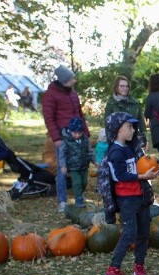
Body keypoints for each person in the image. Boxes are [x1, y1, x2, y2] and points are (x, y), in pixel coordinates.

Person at [99, 112, 159, 275]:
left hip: (140, 197)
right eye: (129, 127)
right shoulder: (115, 152)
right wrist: (142, 176)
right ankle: (113, 269)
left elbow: (142, 164)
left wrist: (155, 167)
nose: (133, 130)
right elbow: (119, 176)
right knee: (129, 233)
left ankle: (139, 266)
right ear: (118, 130)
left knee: (144, 233)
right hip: (127, 200)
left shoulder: (132, 148)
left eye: (133, 127)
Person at [42, 65, 89, 212]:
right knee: (62, 169)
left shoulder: (73, 94)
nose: (74, 81)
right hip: (62, 136)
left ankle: (79, 196)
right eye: (71, 78)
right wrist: (56, 138)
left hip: (78, 135)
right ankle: (62, 201)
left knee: (81, 164)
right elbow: (49, 119)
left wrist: (85, 133)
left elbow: (80, 115)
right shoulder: (50, 95)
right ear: (64, 80)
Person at [57, 117, 94, 208]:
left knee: (84, 183)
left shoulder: (85, 139)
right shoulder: (66, 141)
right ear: (70, 131)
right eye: (75, 133)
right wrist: (63, 166)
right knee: (77, 183)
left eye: (79, 133)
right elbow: (62, 154)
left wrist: (95, 160)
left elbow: (90, 151)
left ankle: (80, 195)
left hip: (84, 166)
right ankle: (78, 199)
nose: (77, 135)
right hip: (73, 167)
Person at [105, 75, 146, 148]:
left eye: (127, 86)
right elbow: (107, 124)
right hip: (118, 141)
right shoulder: (111, 104)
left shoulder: (135, 103)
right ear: (116, 87)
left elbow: (141, 122)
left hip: (135, 139)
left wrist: (145, 139)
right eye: (122, 86)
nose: (125, 88)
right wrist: (110, 141)